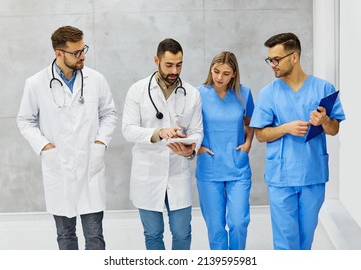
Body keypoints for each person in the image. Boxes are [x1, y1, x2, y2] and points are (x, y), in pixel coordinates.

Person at [17, 25, 117, 250]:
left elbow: (109, 114)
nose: (82, 56)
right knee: (65, 236)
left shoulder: (96, 79)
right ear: (59, 53)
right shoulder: (36, 83)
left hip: (90, 166)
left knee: (95, 237)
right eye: (76, 52)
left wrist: (101, 143)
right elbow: (25, 120)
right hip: (59, 167)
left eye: (83, 50)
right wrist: (46, 147)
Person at [250, 32, 345, 250]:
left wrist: (324, 120)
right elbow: (260, 135)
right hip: (281, 177)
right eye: (270, 60)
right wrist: (284, 128)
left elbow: (334, 130)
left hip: (312, 173)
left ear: (294, 57)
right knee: (285, 242)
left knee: (305, 240)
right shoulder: (268, 93)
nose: (272, 64)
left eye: (276, 59)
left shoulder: (323, 88)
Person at [122, 38, 203, 250]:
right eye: (169, 65)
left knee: (182, 232)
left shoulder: (192, 93)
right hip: (148, 172)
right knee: (153, 234)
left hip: (178, 170)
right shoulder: (137, 90)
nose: (174, 70)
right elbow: (128, 130)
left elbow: (197, 132)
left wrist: (189, 149)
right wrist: (159, 133)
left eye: (179, 64)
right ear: (156, 60)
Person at [196, 51, 255, 250]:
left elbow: (249, 123)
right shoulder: (198, 94)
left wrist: (248, 143)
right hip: (209, 168)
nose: (219, 77)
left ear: (234, 74)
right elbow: (188, 127)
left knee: (239, 222)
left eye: (226, 73)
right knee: (215, 227)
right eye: (216, 71)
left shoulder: (244, 94)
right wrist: (198, 147)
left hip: (237, 167)